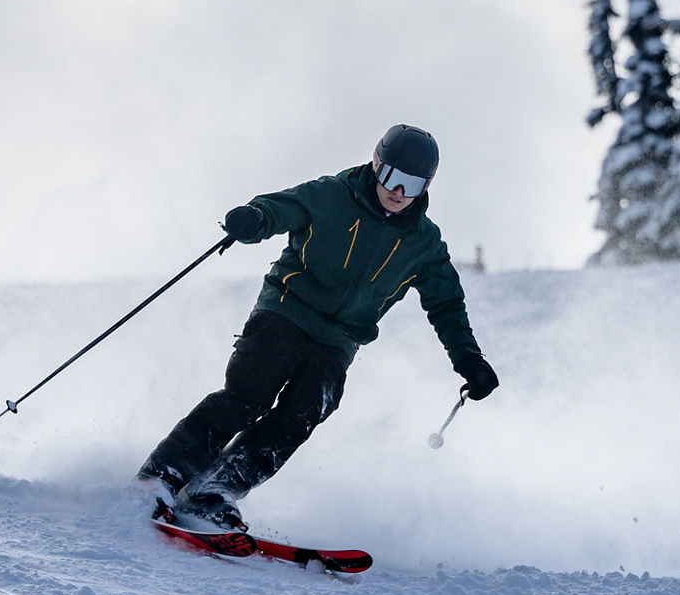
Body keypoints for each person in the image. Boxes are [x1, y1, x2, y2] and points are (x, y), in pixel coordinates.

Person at [137, 125, 499, 530]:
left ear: (426, 186)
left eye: (412, 185)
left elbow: (446, 304)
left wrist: (469, 359)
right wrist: (253, 219)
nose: (398, 192)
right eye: (392, 177)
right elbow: (280, 208)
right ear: (376, 164)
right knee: (248, 394)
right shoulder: (332, 195)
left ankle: (216, 489)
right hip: (286, 311)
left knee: (305, 411)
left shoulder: (424, 244)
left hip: (339, 340)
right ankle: (163, 474)